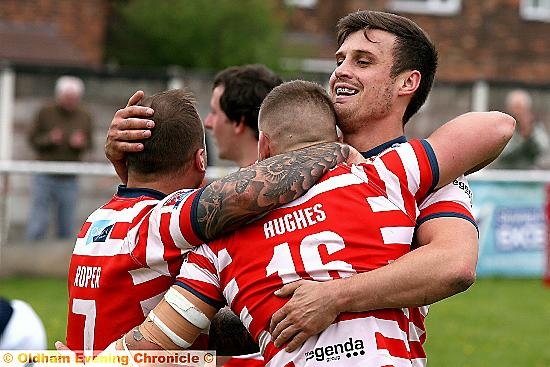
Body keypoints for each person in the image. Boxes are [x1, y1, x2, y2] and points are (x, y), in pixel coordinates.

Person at [102, 11, 488, 362]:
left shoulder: (421, 174)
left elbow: (453, 264)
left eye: (363, 61)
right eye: (340, 60)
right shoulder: (294, 163)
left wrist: (333, 296)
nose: (341, 72)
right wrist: (137, 162)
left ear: (408, 82)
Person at [65, 88, 353, 355]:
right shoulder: (162, 221)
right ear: (201, 160)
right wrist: (335, 149)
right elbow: (239, 196)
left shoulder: (96, 220)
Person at [26, 75, 94, 240]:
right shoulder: (45, 111)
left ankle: (62, 261)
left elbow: (90, 144)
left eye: (74, 98)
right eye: (67, 98)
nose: (70, 102)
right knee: (38, 221)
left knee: (66, 223)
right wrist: (50, 139)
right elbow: (32, 139)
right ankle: (30, 255)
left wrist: (81, 144)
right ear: (59, 96)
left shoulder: (85, 116)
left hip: (69, 177)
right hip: (44, 173)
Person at [204, 64, 283, 168]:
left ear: (238, 122)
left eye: (214, 112)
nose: (207, 123)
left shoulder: (244, 183)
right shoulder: (293, 178)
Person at [492, 89, 549, 169]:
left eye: (521, 108)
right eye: (516, 108)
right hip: (504, 172)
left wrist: (530, 134)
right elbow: (502, 154)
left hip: (528, 174)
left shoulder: (536, 126)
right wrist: (522, 138)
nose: (518, 112)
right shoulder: (501, 127)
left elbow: (544, 150)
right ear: (509, 108)